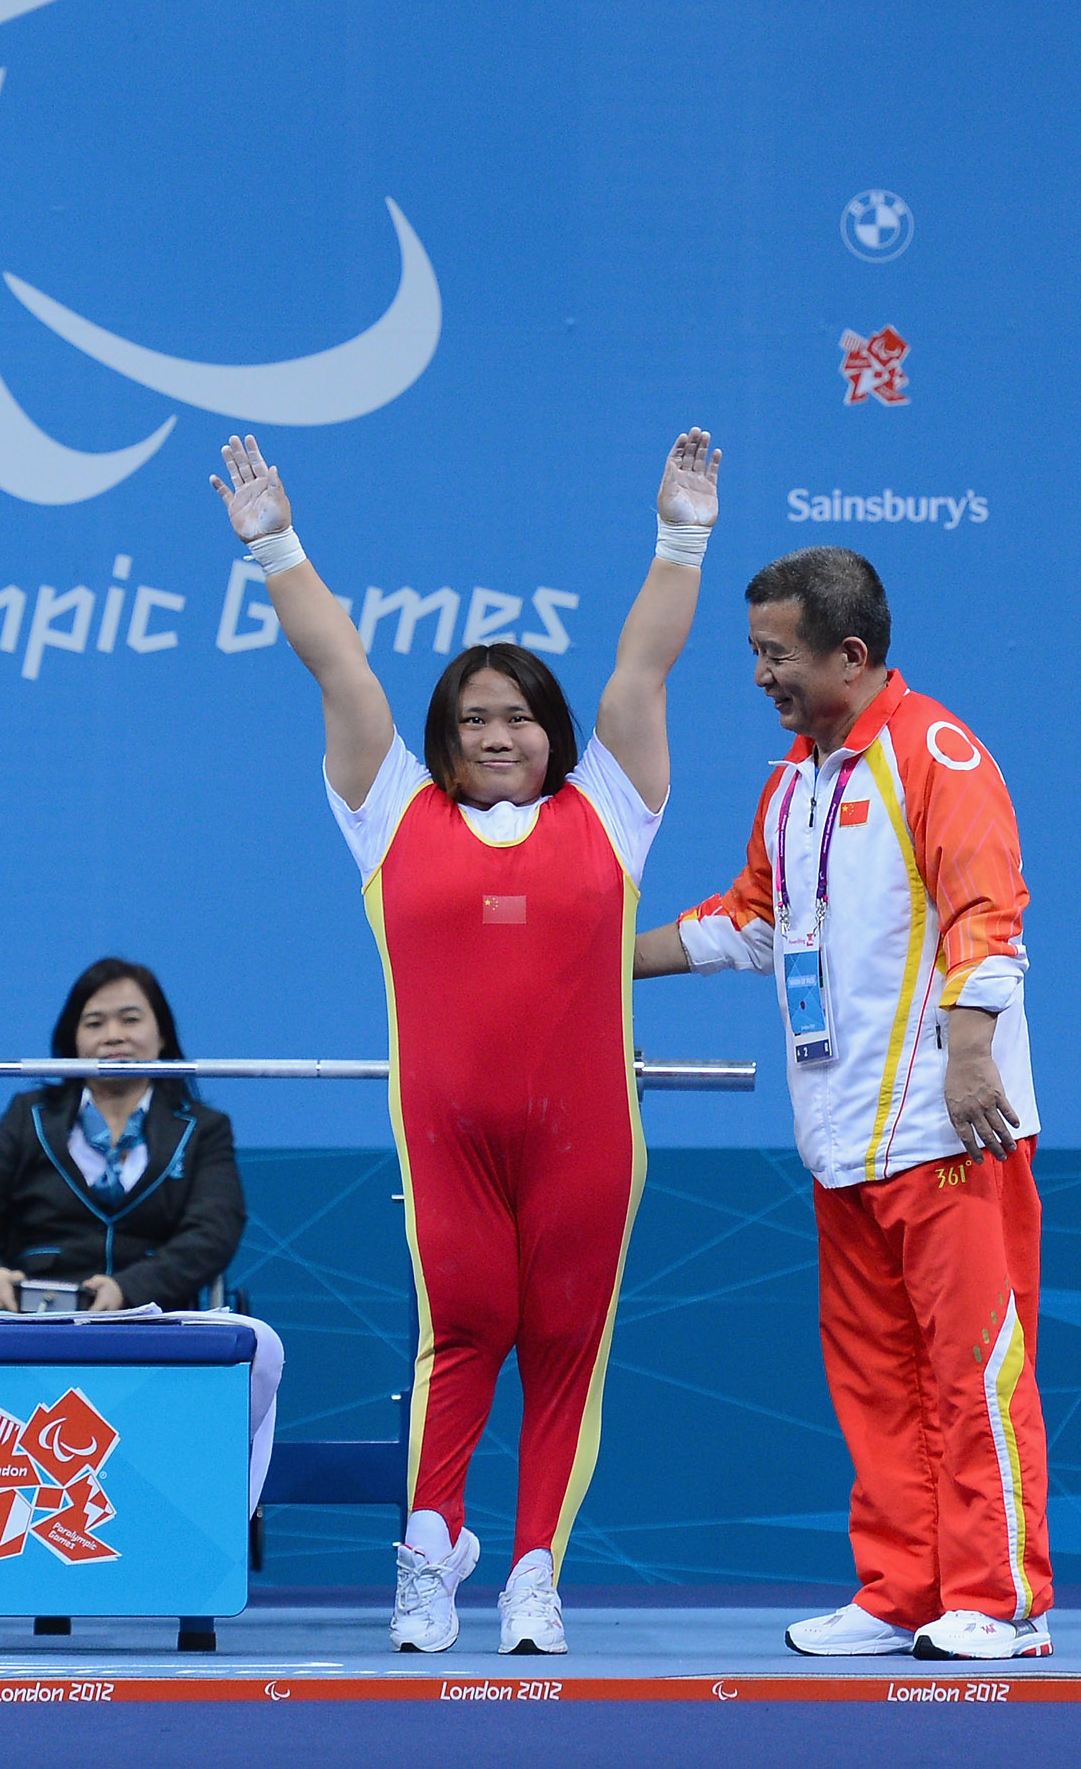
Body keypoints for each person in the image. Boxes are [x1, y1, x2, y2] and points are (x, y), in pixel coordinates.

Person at [212, 426, 715, 1657]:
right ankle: (431, 1552)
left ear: (552, 731)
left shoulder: (613, 808)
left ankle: (535, 1568)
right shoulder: (389, 813)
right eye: (475, 717)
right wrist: (275, 543)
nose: (499, 734)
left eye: (521, 717)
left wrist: (683, 532)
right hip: (450, 1141)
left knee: (563, 1345)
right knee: (464, 1327)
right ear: (444, 735)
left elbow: (640, 674)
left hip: (589, 1138)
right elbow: (343, 674)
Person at [634, 546, 1055, 1663]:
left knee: (972, 1367)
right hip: (842, 1136)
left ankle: (998, 1596)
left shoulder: (936, 752)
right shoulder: (792, 783)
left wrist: (975, 1057)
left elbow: (988, 912)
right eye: (756, 652)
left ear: (851, 654)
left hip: (944, 1124)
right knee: (876, 1377)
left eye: (776, 654)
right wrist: (603, 955)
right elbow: (751, 921)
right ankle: (901, 1584)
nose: (760, 674)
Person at [0, 956, 283, 1510]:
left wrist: (130, 1290)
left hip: (153, 1321)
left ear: (161, 1034)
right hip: (29, 1327)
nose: (113, 1036)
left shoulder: (204, 1130)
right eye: (94, 1023)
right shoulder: (30, 1117)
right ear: (71, 1040)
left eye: (130, 1019)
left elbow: (213, 1231)